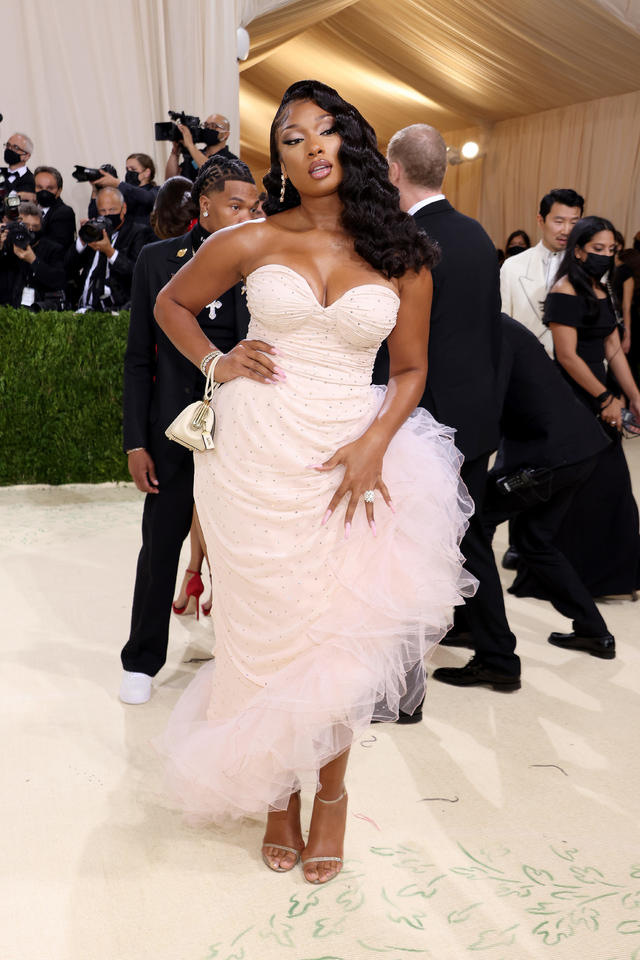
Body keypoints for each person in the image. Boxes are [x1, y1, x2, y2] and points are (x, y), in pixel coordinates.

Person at [153, 80, 474, 884]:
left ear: (353, 144)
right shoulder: (253, 239)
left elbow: (410, 369)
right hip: (257, 459)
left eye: (327, 131)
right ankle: (274, 794)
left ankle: (330, 793)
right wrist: (217, 362)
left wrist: (374, 443)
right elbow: (172, 303)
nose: (313, 146)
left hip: (348, 462)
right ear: (282, 160)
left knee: (335, 636)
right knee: (261, 631)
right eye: (293, 137)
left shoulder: (401, 252)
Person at [376, 123, 519, 696]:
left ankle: (499, 657)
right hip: (478, 412)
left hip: (431, 418)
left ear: (394, 173)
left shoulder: (406, 241)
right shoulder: (479, 235)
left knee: (454, 538)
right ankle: (465, 627)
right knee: (466, 530)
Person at [120, 157, 259, 706]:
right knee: (160, 548)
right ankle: (141, 659)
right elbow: (137, 360)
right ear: (205, 204)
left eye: (254, 206)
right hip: (174, 433)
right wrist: (136, 440)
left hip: (247, 437)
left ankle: (239, 656)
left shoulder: (264, 265)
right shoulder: (158, 261)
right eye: (236, 205)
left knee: (243, 553)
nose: (248, 215)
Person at [433, 314, 615, 686]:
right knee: (534, 541)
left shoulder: (488, 334)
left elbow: (487, 412)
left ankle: (495, 655)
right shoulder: (502, 326)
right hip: (578, 448)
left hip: (547, 459)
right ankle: (594, 632)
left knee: (472, 527)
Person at [510, 216, 640, 616]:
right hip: (576, 399)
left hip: (602, 397)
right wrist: (605, 399)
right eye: (597, 250)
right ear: (579, 250)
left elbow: (613, 349)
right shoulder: (564, 291)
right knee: (584, 488)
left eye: (610, 250)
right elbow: (566, 356)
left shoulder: (602, 291)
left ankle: (607, 575)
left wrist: (635, 395)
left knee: (612, 487)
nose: (605, 257)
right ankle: (565, 574)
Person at [500, 189, 584, 356]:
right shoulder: (512, 266)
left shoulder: (587, 266)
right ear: (541, 220)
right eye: (559, 221)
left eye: (574, 222)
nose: (566, 230)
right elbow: (502, 322)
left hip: (578, 367)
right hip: (526, 363)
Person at [66, 186, 151, 311]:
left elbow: (136, 272)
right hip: (82, 307)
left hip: (117, 309)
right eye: (103, 211)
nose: (107, 215)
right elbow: (69, 265)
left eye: (112, 210)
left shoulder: (138, 232)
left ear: (124, 209)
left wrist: (109, 252)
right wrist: (83, 239)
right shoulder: (95, 232)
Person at [0, 202, 65, 308]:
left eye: (35, 226)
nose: (30, 230)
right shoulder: (7, 244)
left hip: (38, 309)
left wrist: (34, 261)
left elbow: (58, 280)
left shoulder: (53, 249)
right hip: (7, 309)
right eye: (25, 226)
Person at [91, 153, 160, 229]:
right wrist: (95, 191)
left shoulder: (156, 190)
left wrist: (118, 183)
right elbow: (95, 216)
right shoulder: (121, 193)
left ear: (147, 172)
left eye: (133, 169)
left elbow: (147, 198)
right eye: (127, 169)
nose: (129, 172)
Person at [164, 114, 236, 182]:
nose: (208, 128)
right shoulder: (195, 155)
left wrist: (190, 145)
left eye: (214, 126)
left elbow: (212, 173)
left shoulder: (232, 160)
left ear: (226, 135)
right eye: (206, 125)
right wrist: (175, 152)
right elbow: (170, 180)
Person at [34, 166, 76, 249]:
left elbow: (56, 247)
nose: (44, 192)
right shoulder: (27, 209)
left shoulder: (64, 213)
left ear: (59, 191)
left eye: (49, 188)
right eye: (39, 187)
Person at [612, 230, 634, 356]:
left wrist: (627, 335)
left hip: (617, 323)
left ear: (620, 246)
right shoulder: (598, 266)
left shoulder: (625, 271)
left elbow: (626, 307)